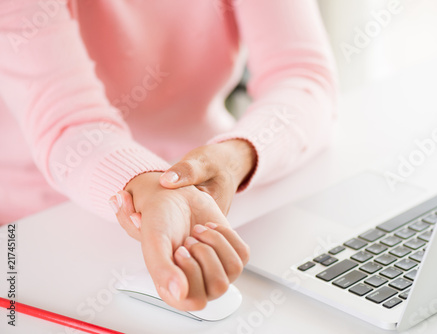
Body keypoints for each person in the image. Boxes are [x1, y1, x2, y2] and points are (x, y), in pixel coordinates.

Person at [0, 0, 337, 311]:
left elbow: (302, 74)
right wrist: (151, 190)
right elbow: (68, 124)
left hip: (206, 191)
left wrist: (234, 156)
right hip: (39, 222)